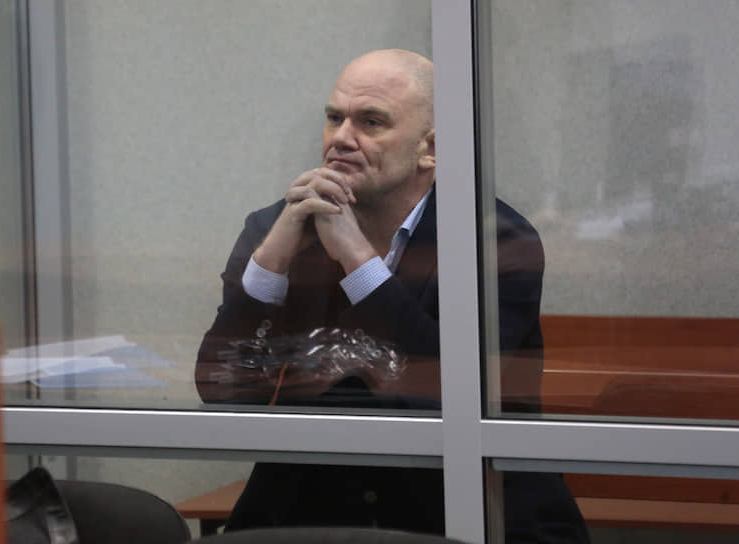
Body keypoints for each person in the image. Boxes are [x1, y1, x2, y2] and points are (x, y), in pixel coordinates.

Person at [195, 50, 589, 542]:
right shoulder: (276, 227)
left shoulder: (497, 241)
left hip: (463, 508)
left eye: (371, 122)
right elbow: (224, 391)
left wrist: (360, 263)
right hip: (310, 509)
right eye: (334, 118)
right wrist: (271, 262)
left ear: (432, 149)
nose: (341, 138)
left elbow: (447, 391)